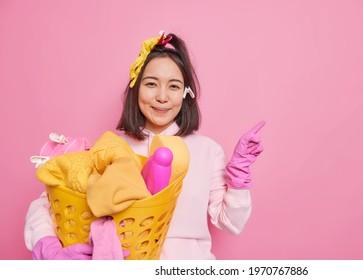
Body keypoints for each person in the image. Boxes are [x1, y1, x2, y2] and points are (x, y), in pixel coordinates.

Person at [24, 31, 265, 260]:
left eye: (174, 86)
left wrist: (238, 179)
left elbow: (232, 223)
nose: (162, 96)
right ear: (136, 88)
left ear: (185, 93)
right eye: (151, 84)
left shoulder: (208, 150)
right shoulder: (112, 147)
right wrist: (45, 245)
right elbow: (49, 201)